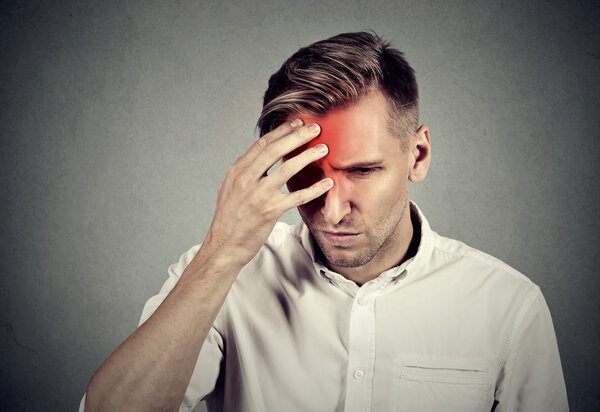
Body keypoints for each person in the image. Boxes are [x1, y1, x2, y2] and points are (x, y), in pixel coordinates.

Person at [81, 31, 569, 411]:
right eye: (307, 177)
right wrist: (220, 255)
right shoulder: (224, 278)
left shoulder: (508, 307)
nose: (331, 211)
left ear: (417, 155)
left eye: (362, 171)